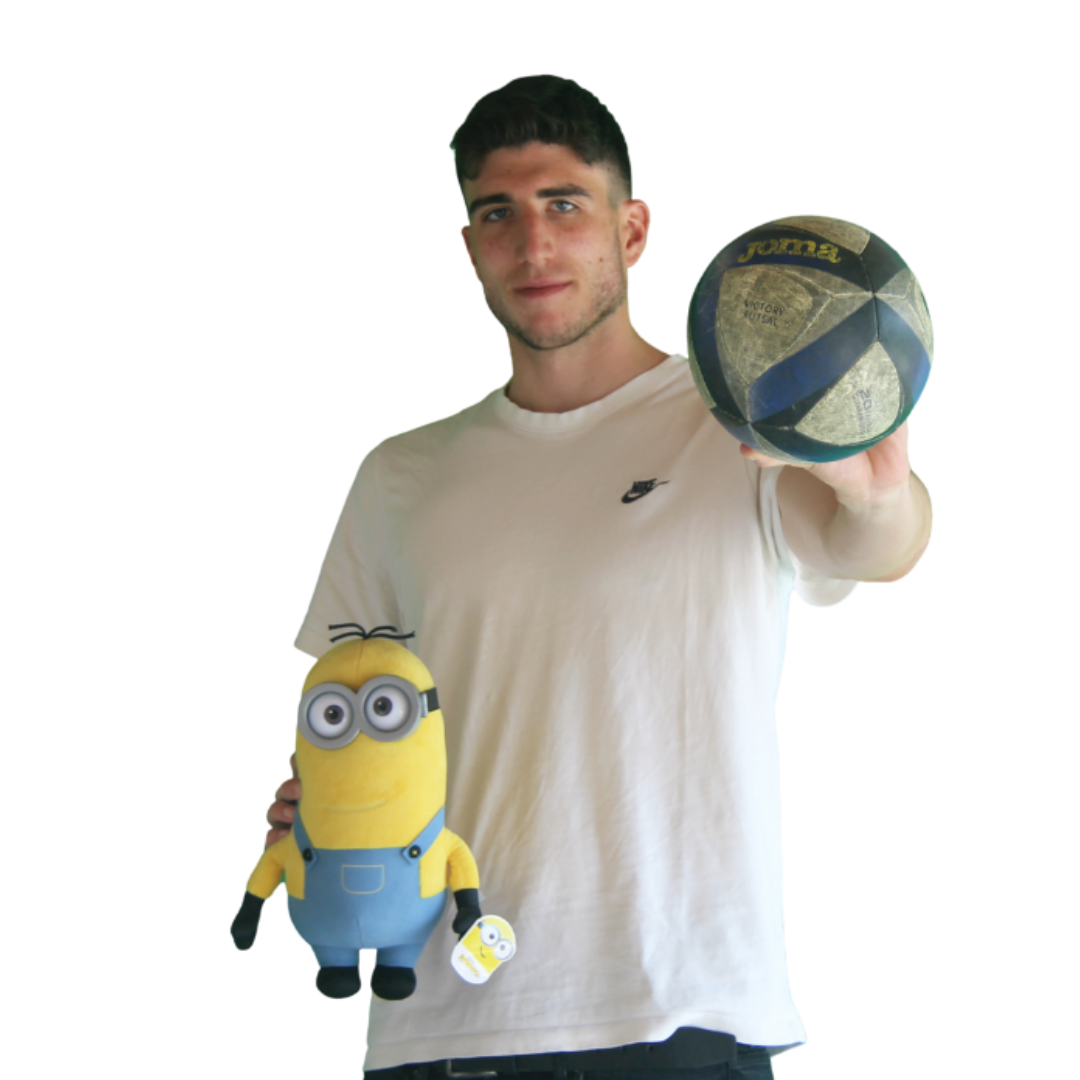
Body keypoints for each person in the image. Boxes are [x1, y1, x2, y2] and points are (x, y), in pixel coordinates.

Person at [265, 74, 934, 1078]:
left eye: (565, 205)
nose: (533, 244)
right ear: (469, 248)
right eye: (499, 213)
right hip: (445, 1021)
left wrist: (879, 492)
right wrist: (317, 802)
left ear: (632, 231)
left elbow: (873, 551)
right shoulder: (398, 473)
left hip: (685, 1007)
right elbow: (352, 708)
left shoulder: (738, 424)